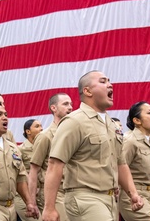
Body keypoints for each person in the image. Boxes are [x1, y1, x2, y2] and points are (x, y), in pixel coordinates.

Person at [42, 71, 143, 221]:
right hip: (85, 198)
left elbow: (121, 163)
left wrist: (133, 193)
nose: (110, 84)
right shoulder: (74, 121)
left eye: (109, 81)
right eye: (103, 81)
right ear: (87, 91)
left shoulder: (111, 124)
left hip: (110, 199)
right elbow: (55, 165)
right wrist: (49, 208)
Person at [28, 93, 73, 221]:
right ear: (53, 108)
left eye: (71, 104)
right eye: (65, 104)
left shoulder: (74, 134)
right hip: (55, 193)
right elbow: (33, 171)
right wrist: (32, 202)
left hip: (73, 190)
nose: (70, 107)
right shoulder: (45, 136)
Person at [15, 119, 43, 221]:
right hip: (24, 195)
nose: (41, 128)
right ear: (28, 131)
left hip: (40, 194)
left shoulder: (43, 147)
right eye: (37, 126)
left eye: (41, 126)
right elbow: (17, 172)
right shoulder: (20, 149)